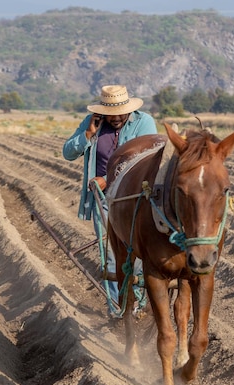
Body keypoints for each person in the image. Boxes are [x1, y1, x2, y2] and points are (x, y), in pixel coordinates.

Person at [63, 85, 157, 317]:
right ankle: (117, 307)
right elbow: (68, 152)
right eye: (110, 114)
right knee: (112, 254)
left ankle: (139, 303)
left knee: (137, 252)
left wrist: (106, 178)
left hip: (134, 197)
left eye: (120, 113)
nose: (115, 118)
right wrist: (87, 136)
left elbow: (145, 157)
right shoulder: (92, 123)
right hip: (103, 199)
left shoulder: (143, 122)